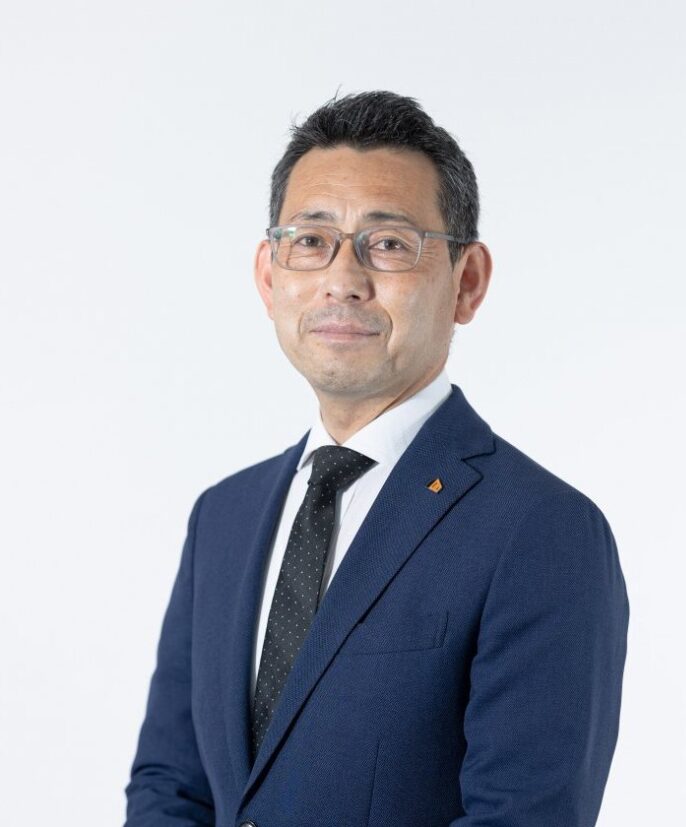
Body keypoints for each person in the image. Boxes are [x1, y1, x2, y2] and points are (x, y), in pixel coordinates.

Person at [124, 90, 629, 827]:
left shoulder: (541, 530)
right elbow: (171, 786)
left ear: (466, 281)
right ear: (269, 275)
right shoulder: (223, 517)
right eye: (311, 240)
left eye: (389, 244)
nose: (342, 279)